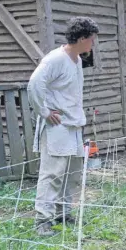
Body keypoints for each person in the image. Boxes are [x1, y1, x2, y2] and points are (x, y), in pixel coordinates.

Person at [27, 16, 99, 236]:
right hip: (57, 126)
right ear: (81, 38)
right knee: (52, 174)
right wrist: (45, 112)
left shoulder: (76, 60)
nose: (93, 44)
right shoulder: (55, 59)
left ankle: (63, 213)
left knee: (71, 173)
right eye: (92, 39)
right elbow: (34, 85)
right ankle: (42, 221)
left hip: (73, 125)